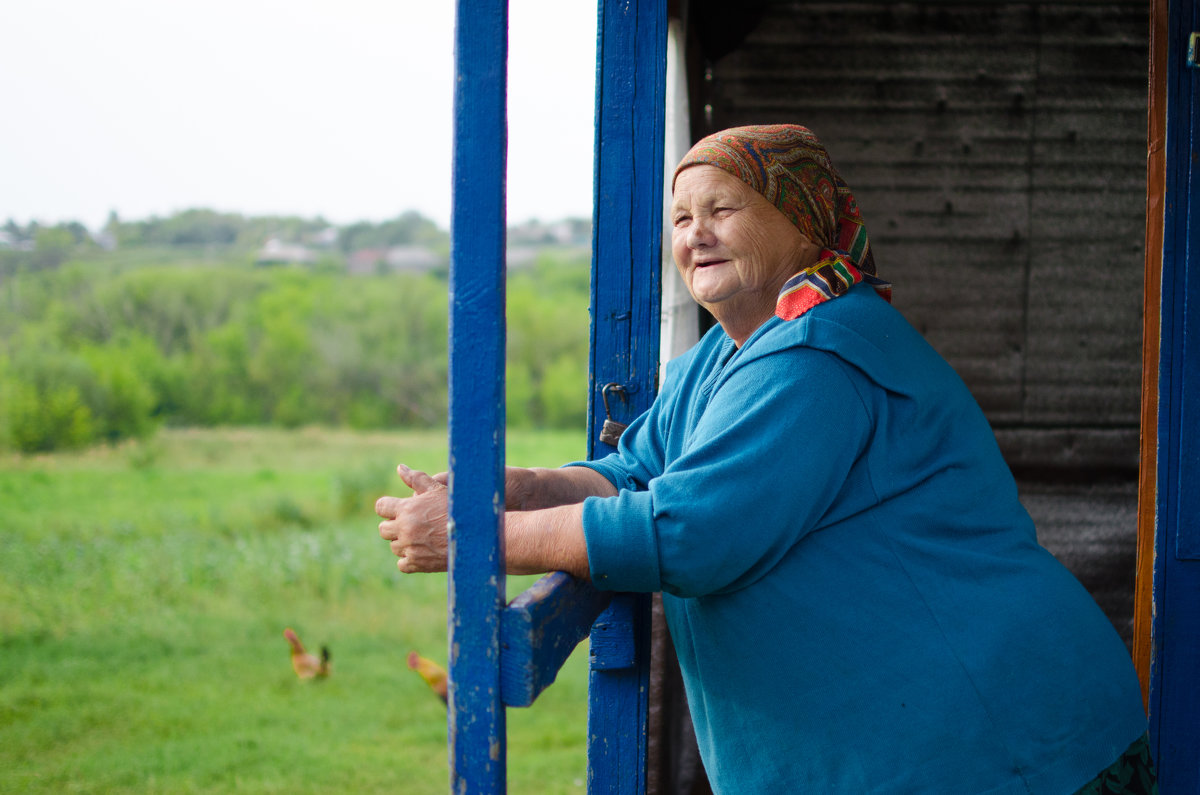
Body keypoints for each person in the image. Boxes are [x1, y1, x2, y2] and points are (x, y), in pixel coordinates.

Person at [376, 124, 1154, 794]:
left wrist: (478, 537)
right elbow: (633, 471)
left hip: (1000, 742)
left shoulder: (818, 351)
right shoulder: (732, 350)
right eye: (680, 217)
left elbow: (688, 531)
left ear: (802, 221)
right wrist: (499, 491)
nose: (694, 234)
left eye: (723, 209)